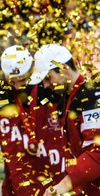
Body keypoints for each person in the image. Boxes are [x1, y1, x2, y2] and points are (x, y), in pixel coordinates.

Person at [0, 45, 70, 195]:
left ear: (32, 70)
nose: (16, 86)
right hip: (17, 184)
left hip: (58, 181)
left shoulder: (50, 87)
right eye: (11, 80)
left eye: (21, 80)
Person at [29, 44, 100, 196]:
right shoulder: (68, 98)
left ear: (63, 69)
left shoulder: (91, 96)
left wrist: (65, 184)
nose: (46, 85)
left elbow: (97, 151)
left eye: (48, 77)